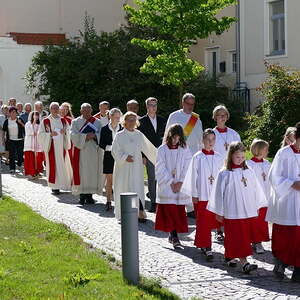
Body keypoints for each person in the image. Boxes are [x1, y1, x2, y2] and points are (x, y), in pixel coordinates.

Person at [207, 142, 267, 274]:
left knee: (239, 236)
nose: (240, 160)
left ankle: (229, 256)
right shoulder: (225, 174)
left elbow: (255, 190)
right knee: (237, 236)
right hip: (231, 211)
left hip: (246, 211)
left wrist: (256, 206)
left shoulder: (249, 172)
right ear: (230, 156)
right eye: (237, 157)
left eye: (242, 157)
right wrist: (219, 211)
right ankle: (244, 263)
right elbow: (218, 194)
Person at [181, 129, 223, 260]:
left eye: (213, 139)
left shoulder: (219, 157)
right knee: (203, 222)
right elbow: (193, 177)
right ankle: (206, 246)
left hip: (215, 195)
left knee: (215, 221)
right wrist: (194, 194)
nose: (210, 142)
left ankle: (205, 243)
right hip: (202, 194)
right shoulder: (197, 157)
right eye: (208, 140)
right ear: (203, 141)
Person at [266, 122, 300, 282]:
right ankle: (280, 261)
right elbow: (274, 176)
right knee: (285, 233)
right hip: (287, 200)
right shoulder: (283, 153)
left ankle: (298, 268)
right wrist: (292, 183)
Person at [112, 112, 157, 222]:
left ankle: (138, 213)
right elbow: (115, 151)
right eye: (129, 120)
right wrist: (125, 157)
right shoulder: (119, 135)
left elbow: (149, 149)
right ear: (125, 122)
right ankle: (124, 214)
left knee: (136, 188)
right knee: (124, 189)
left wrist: (162, 160)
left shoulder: (139, 135)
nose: (132, 122)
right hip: (123, 168)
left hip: (136, 167)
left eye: (134, 120)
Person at [165, 93, 203, 217]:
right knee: (177, 180)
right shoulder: (174, 116)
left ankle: (191, 208)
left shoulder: (196, 119)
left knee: (190, 182)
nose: (190, 107)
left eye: (193, 104)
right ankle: (177, 207)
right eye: (188, 104)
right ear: (183, 103)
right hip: (176, 154)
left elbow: (200, 139)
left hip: (192, 155)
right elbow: (167, 135)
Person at [155, 124, 192, 249]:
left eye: (178, 138)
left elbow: (188, 165)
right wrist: (171, 182)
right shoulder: (162, 149)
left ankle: (173, 234)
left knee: (177, 211)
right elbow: (160, 167)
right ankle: (174, 235)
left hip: (179, 186)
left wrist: (181, 182)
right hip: (167, 186)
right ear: (169, 136)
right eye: (173, 137)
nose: (175, 140)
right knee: (169, 210)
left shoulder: (184, 148)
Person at [71, 103, 103, 204]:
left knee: (92, 172)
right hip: (80, 151)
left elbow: (101, 134)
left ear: (91, 110)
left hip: (93, 150)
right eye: (84, 110)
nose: (86, 112)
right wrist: (85, 137)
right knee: (81, 172)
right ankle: (82, 196)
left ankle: (90, 195)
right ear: (81, 111)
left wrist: (95, 136)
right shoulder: (75, 122)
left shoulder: (97, 122)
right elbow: (73, 135)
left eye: (88, 110)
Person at [138, 97, 166, 212]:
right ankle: (154, 203)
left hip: (162, 153)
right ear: (147, 106)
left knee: (162, 178)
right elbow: (140, 140)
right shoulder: (142, 121)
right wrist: (143, 156)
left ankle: (162, 202)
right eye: (151, 105)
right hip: (148, 154)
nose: (153, 107)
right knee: (152, 178)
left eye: (155, 105)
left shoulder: (162, 120)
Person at [38, 102, 72, 195]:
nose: (55, 110)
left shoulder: (63, 121)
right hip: (51, 147)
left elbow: (69, 131)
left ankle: (63, 185)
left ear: (59, 109)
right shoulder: (45, 121)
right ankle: (55, 187)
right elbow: (40, 134)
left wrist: (65, 132)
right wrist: (49, 135)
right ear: (50, 109)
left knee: (62, 165)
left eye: (56, 108)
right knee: (53, 166)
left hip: (61, 147)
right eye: (53, 108)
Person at [246, 139, 271, 254]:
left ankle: (259, 239)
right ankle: (256, 242)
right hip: (254, 198)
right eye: (266, 149)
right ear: (259, 150)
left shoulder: (267, 163)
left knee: (262, 221)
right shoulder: (249, 164)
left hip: (265, 197)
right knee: (255, 221)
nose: (267, 151)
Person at [99, 108, 122, 210]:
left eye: (119, 117)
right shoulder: (104, 129)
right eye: (116, 117)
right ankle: (108, 201)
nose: (118, 119)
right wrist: (110, 147)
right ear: (110, 117)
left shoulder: (122, 128)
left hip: (120, 157)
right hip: (109, 156)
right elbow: (101, 144)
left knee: (120, 180)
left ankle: (119, 201)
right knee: (109, 180)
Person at [2, 107, 25, 174]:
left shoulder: (19, 119)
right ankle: (12, 168)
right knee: (11, 155)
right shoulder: (7, 121)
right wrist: (3, 140)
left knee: (20, 154)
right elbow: (3, 131)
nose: (13, 113)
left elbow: (25, 127)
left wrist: (21, 123)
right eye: (12, 112)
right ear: (9, 113)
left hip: (20, 140)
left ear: (16, 113)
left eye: (15, 112)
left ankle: (19, 164)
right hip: (11, 140)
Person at [24, 111, 44, 179]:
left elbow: (40, 133)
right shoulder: (28, 123)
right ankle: (31, 173)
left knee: (38, 159)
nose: (36, 117)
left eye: (37, 115)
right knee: (30, 159)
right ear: (32, 116)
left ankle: (37, 172)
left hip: (37, 143)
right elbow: (29, 132)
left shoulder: (40, 124)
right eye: (35, 115)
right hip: (30, 143)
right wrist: (33, 124)